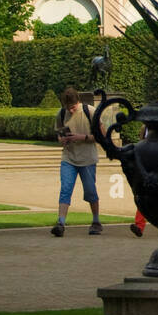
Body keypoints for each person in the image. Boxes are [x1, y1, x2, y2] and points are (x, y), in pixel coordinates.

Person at [50, 86, 102, 237]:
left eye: (72, 107)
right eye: (68, 108)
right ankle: (61, 223)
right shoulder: (60, 114)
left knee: (90, 191)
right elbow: (59, 135)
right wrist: (63, 140)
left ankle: (96, 221)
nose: (70, 111)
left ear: (77, 102)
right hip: (68, 158)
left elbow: (101, 135)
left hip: (87, 159)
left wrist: (81, 137)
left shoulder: (90, 111)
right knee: (65, 189)